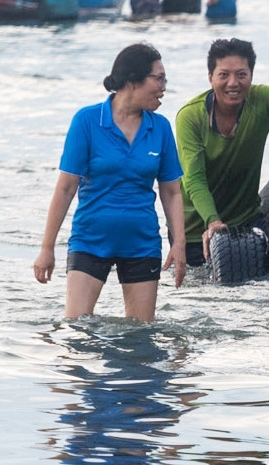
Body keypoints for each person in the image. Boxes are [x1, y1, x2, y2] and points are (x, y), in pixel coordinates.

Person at [32, 43, 186, 320]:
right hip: (90, 239)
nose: (164, 86)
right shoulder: (87, 121)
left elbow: (172, 191)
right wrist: (46, 249)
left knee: (139, 341)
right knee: (76, 332)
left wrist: (179, 243)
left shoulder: (160, 127)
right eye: (159, 78)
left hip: (142, 242)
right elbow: (66, 188)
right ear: (132, 81)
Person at [175, 39, 269, 268]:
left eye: (241, 74)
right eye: (224, 75)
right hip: (195, 230)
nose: (233, 83)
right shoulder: (190, 117)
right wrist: (213, 221)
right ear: (210, 78)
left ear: (251, 75)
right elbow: (194, 179)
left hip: (247, 221)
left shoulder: (261, 100)